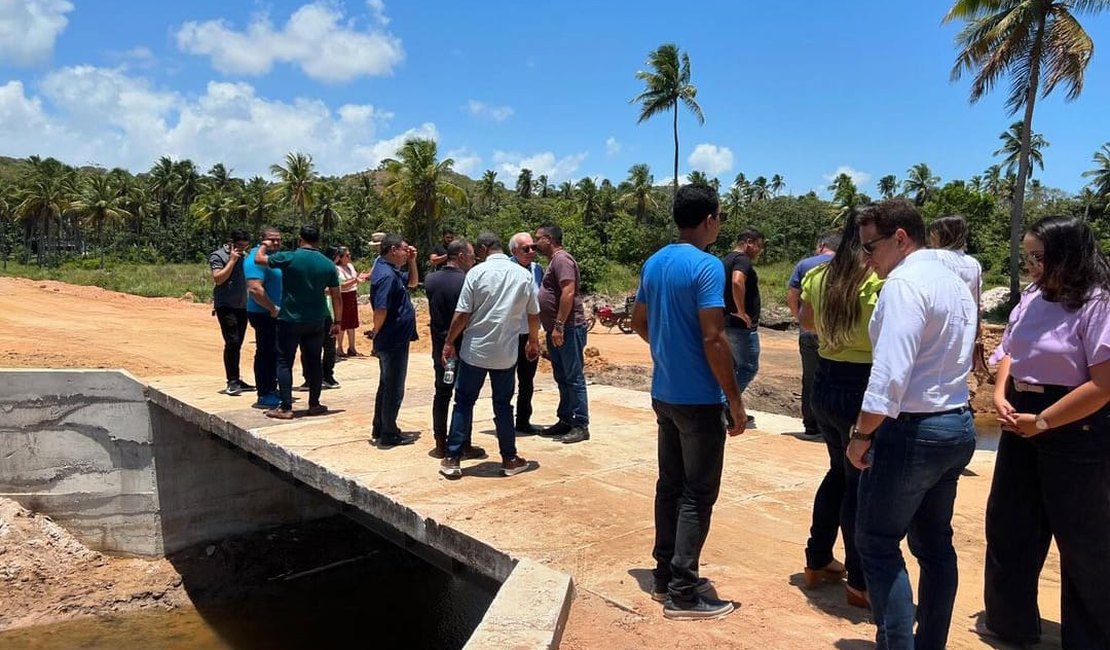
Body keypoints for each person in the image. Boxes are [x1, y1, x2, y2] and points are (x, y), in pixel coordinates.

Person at [846, 199, 977, 650]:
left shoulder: (903, 285)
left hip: (912, 430)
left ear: (900, 238)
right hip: (955, 424)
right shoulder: (955, 281)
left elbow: (889, 376)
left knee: (879, 544)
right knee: (935, 546)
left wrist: (861, 434)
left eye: (870, 247)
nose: (866, 259)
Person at [983, 215, 1110, 649]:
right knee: (1009, 524)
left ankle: (1091, 637)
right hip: (1021, 416)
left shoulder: (1097, 304)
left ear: (1068, 256)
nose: (1032, 266)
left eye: (1040, 257)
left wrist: (1043, 422)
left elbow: (1103, 385)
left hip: (1076, 423)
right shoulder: (1034, 297)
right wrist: (1001, 392)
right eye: (1029, 257)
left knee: (1082, 538)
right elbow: (1009, 351)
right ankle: (1009, 622)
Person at [630, 184, 746, 621]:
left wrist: (666, 347)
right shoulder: (707, 267)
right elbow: (715, 337)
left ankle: (663, 577)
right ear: (710, 219)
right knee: (698, 493)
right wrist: (734, 400)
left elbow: (640, 320)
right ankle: (683, 592)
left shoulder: (655, 262)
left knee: (670, 486)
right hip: (699, 398)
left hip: (665, 393)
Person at [798, 217, 881, 609]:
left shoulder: (817, 275)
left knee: (838, 473)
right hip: (861, 385)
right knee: (859, 486)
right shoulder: (875, 280)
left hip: (825, 383)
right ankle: (859, 581)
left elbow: (806, 322)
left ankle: (817, 560)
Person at [439, 232, 540, 479]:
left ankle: (452, 458)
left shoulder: (476, 273)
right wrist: (534, 341)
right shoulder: (523, 275)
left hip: (475, 350)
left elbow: (463, 313)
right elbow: (533, 313)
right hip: (506, 353)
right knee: (503, 405)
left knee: (463, 402)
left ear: (484, 249)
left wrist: (449, 342)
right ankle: (510, 459)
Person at [253, 225, 342, 420]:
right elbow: (336, 297)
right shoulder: (328, 264)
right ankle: (314, 404)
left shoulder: (289, 257)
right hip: (317, 319)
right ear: (318, 240)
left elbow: (258, 260)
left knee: (285, 361)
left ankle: (286, 407)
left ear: (300, 238)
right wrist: (338, 321)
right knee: (314, 361)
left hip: (290, 318)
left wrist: (264, 245)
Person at [425, 238, 483, 459]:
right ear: (460, 256)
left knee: (442, 393)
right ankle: (463, 443)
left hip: (440, 348)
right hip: (463, 347)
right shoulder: (468, 281)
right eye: (470, 256)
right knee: (464, 396)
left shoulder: (431, 280)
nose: (472, 260)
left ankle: (440, 443)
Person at [534, 223, 590, 444]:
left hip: (567, 328)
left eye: (538, 238)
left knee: (573, 377)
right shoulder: (553, 262)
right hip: (556, 330)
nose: (535, 242)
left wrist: (559, 325)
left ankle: (580, 424)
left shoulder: (561, 260)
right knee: (562, 377)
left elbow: (568, 291)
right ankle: (565, 420)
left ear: (549, 239)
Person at [787, 232, 840, 440]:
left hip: (808, 332)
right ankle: (833, 428)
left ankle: (811, 426)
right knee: (836, 379)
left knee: (810, 378)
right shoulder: (851, 265)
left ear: (821, 246)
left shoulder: (805, 265)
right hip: (837, 334)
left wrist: (802, 320)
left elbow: (792, 296)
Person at [369, 234, 420, 447]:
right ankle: (389, 432)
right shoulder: (386, 276)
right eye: (404, 249)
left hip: (395, 337)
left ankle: (381, 426)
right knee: (394, 387)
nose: (407, 252)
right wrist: (375, 331)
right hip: (392, 339)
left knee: (386, 384)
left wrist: (412, 261)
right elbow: (380, 308)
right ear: (392, 250)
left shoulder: (391, 270)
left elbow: (414, 283)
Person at [722, 229, 765, 428]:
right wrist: (741, 311)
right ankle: (723, 405)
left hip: (726, 323)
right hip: (740, 326)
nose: (760, 250)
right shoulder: (742, 260)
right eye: (759, 245)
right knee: (748, 368)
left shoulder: (725, 260)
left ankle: (730, 411)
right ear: (749, 242)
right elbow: (737, 281)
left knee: (731, 369)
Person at [509, 231, 546, 435]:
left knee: (527, 380)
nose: (532, 251)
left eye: (534, 247)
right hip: (509, 334)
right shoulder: (507, 269)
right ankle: (504, 420)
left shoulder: (538, 270)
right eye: (526, 249)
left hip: (530, 334)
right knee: (506, 379)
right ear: (514, 251)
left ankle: (523, 420)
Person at [210, 230, 255, 396]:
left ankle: (237, 378)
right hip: (225, 305)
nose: (242, 249)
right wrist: (232, 260)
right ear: (231, 243)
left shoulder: (246, 257)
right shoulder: (218, 256)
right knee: (232, 342)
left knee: (238, 343)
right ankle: (232, 381)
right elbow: (218, 278)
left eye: (245, 246)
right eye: (239, 246)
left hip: (242, 306)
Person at [243, 226, 283, 409]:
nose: (275, 243)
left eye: (278, 239)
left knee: (275, 352)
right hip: (263, 313)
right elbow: (254, 289)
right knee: (266, 353)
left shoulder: (272, 258)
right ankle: (264, 393)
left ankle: (272, 388)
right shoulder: (254, 259)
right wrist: (272, 308)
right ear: (262, 240)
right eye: (271, 239)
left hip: (274, 314)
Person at [334, 246, 370, 357]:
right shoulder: (337, 269)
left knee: (352, 322)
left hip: (352, 295)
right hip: (343, 296)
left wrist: (360, 278)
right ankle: (339, 348)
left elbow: (354, 279)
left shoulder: (350, 266)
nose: (350, 257)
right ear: (340, 257)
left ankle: (352, 347)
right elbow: (341, 285)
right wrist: (355, 280)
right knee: (342, 323)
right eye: (347, 255)